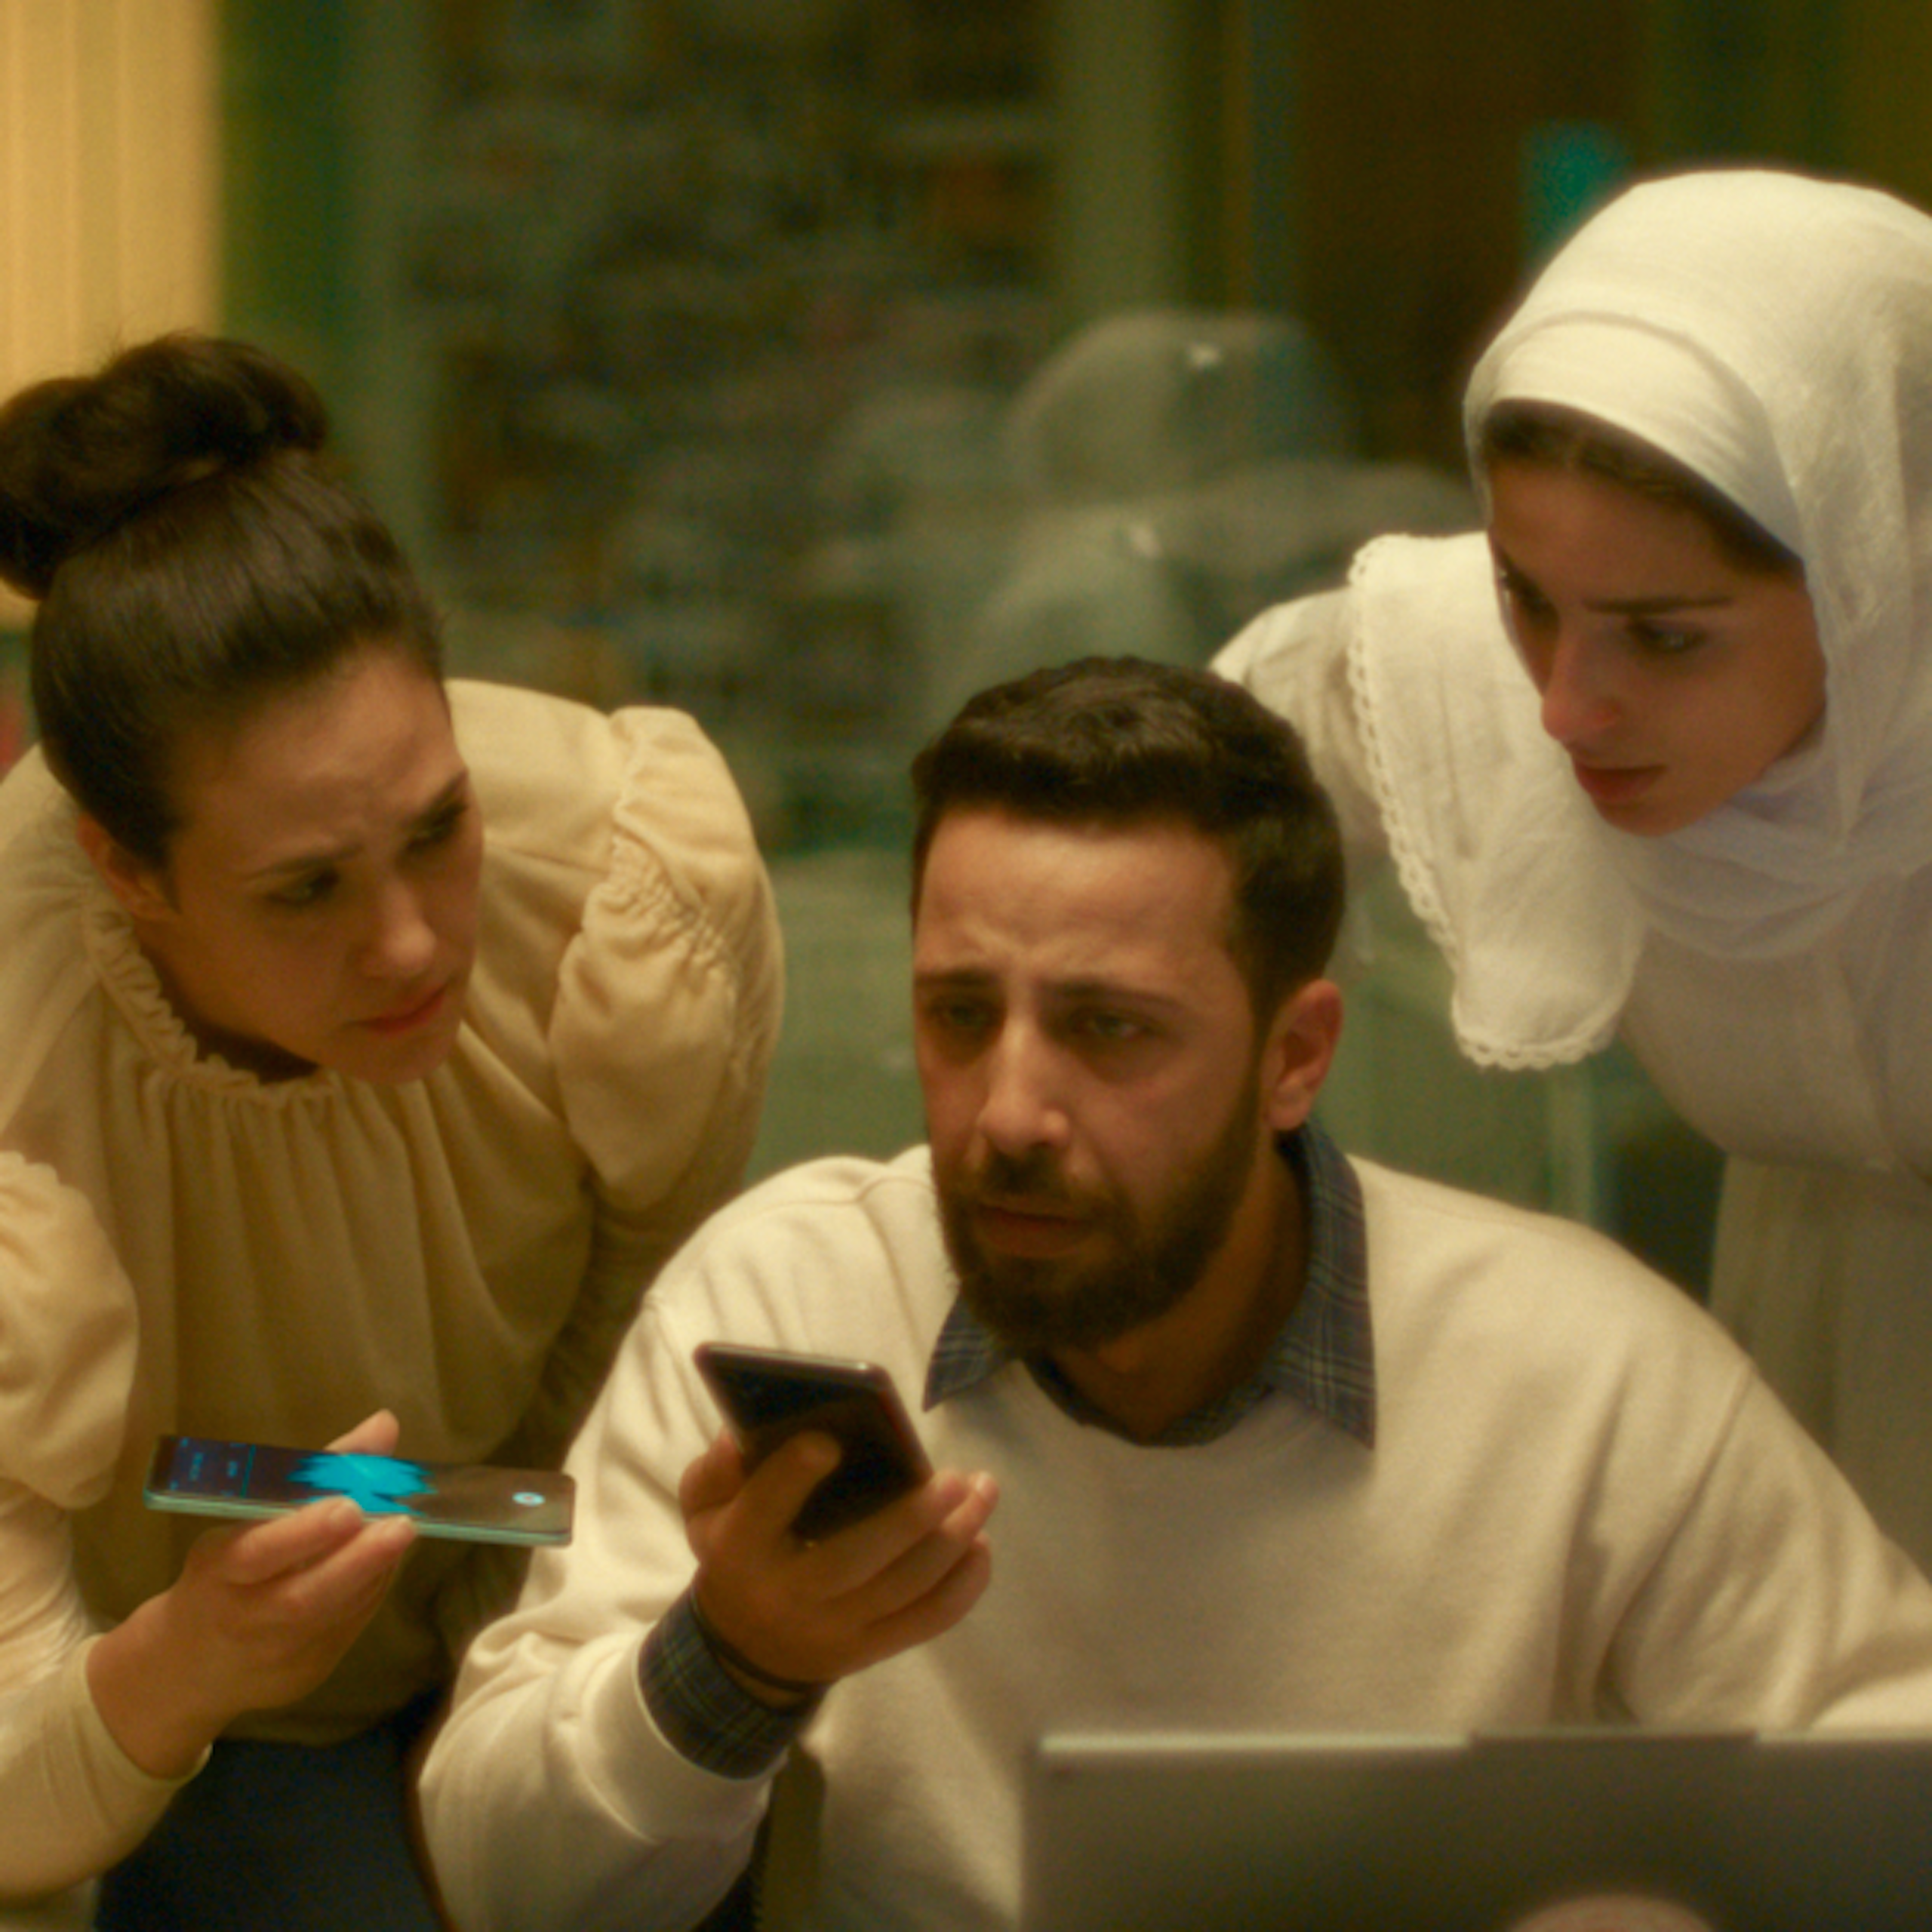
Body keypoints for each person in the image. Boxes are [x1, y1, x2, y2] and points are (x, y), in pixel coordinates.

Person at [418, 657, 1932, 1932]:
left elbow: (1886, 1785)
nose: (1005, 1107)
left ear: (1293, 1054)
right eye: (958, 1013)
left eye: (1107, 1028)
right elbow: (502, 1881)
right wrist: (730, 1662)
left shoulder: (1578, 1365)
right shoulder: (798, 1293)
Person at [0, 334, 783, 1928]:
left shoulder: (614, 886)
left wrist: (519, 1650)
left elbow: (619, 1357)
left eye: (440, 829)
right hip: (185, 1711)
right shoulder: (17, 1051)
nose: (415, 943)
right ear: (125, 869)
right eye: (305, 891)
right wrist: (193, 1656)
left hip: (556, 1614)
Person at [1211, 165, 1932, 1574]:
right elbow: (1194, 769)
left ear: (1879, 574)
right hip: (1787, 1388)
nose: (1563, 707)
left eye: (1668, 637)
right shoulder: (1484, 679)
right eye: (1525, 600)